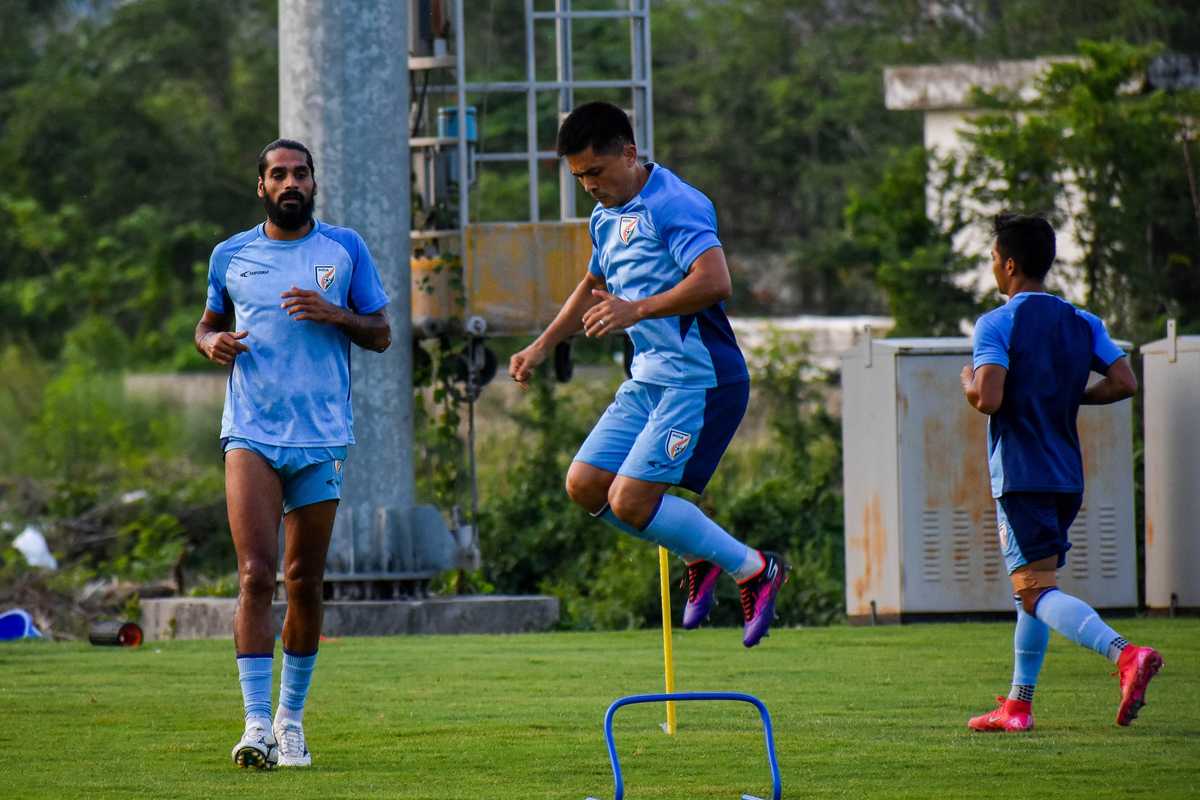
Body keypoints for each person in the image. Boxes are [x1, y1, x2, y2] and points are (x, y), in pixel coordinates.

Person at [508, 101, 787, 648]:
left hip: (699, 380)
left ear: (629, 154)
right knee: (585, 485)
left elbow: (715, 281)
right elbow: (593, 285)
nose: (587, 185)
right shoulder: (604, 215)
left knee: (631, 501)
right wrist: (542, 344)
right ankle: (697, 554)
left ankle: (755, 569)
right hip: (649, 378)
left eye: (594, 172)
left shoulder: (676, 203)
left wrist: (636, 309)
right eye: (577, 177)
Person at [194, 138, 391, 767]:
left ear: (313, 183)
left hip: (321, 437)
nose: (290, 183)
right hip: (250, 432)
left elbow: (382, 333)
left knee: (304, 580)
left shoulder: (345, 249)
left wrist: (334, 314)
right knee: (256, 575)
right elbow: (206, 324)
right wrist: (212, 344)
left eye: (300, 174)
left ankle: (291, 721)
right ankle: (254, 725)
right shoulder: (231, 255)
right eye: (278, 175)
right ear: (261, 187)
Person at [960, 212, 1162, 732]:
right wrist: (1075, 397)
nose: (992, 269)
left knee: (1033, 590)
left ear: (1008, 264)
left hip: (1021, 474)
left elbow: (988, 398)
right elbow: (1124, 381)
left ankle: (1125, 654)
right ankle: (1017, 706)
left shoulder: (997, 322)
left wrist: (967, 382)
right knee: (1034, 589)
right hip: (1066, 475)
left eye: (991, 260)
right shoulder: (1083, 321)